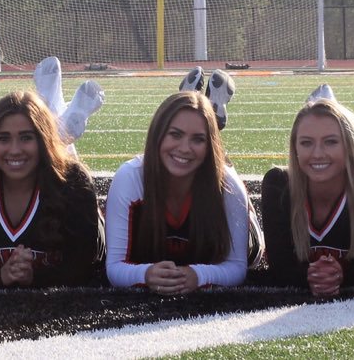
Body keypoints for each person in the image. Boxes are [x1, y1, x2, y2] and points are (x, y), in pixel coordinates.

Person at [105, 92, 255, 294]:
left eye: (198, 139)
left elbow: (237, 267)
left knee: (253, 252)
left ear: (209, 146)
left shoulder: (228, 186)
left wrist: (199, 276)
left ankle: (215, 128)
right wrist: (145, 274)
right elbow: (114, 267)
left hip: (237, 220)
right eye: (175, 134)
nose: (185, 148)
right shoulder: (130, 177)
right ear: (157, 134)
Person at [0, 91, 101, 287]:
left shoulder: (73, 182)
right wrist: (1, 276)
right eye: (3, 138)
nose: (15, 150)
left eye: (26, 138)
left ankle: (59, 111)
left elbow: (84, 267)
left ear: (43, 140)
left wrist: (35, 278)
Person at [261, 98, 354, 296]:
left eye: (330, 142)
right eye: (306, 143)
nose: (317, 154)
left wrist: (340, 276)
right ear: (295, 148)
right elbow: (280, 267)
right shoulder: (278, 184)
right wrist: (311, 276)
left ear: (349, 146)